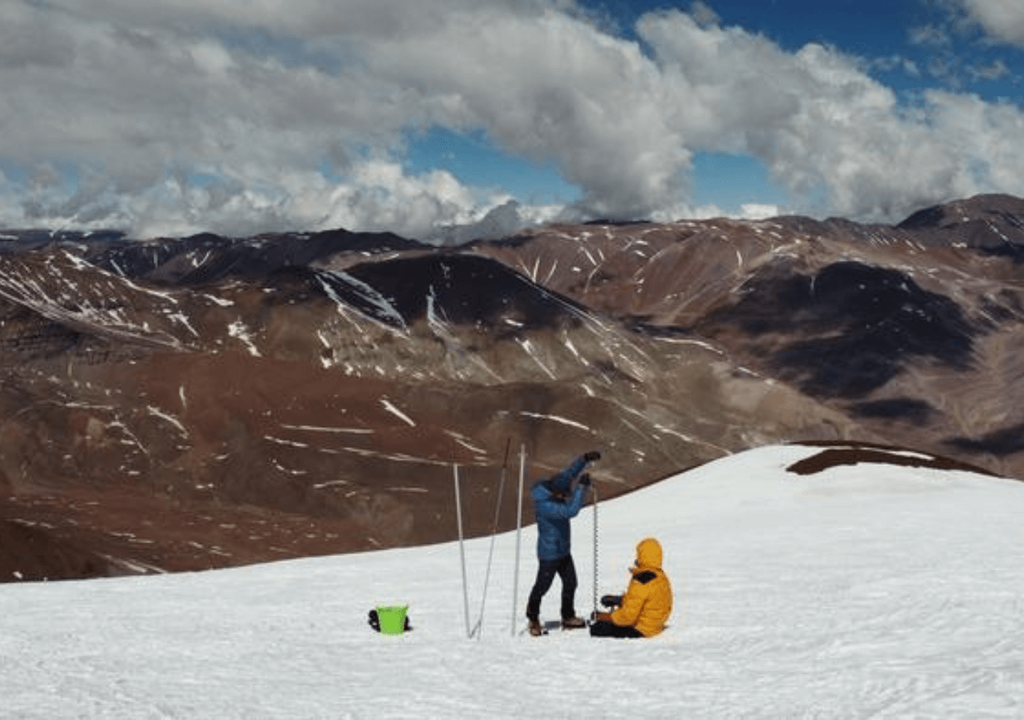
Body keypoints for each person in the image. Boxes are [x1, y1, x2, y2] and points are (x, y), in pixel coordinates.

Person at [525, 450, 601, 636]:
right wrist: (582, 489)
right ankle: (533, 618)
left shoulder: (555, 487)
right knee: (542, 587)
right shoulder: (546, 506)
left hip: (563, 550)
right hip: (550, 554)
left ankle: (568, 616)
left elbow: (569, 474)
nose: (565, 496)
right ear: (556, 495)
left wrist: (584, 460)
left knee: (571, 583)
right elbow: (571, 511)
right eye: (564, 495)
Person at [589, 536, 673, 638]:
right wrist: (621, 600)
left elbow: (627, 618)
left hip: (641, 629)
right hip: (655, 626)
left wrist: (606, 617)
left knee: (597, 628)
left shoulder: (641, 580)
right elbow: (642, 601)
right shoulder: (661, 577)